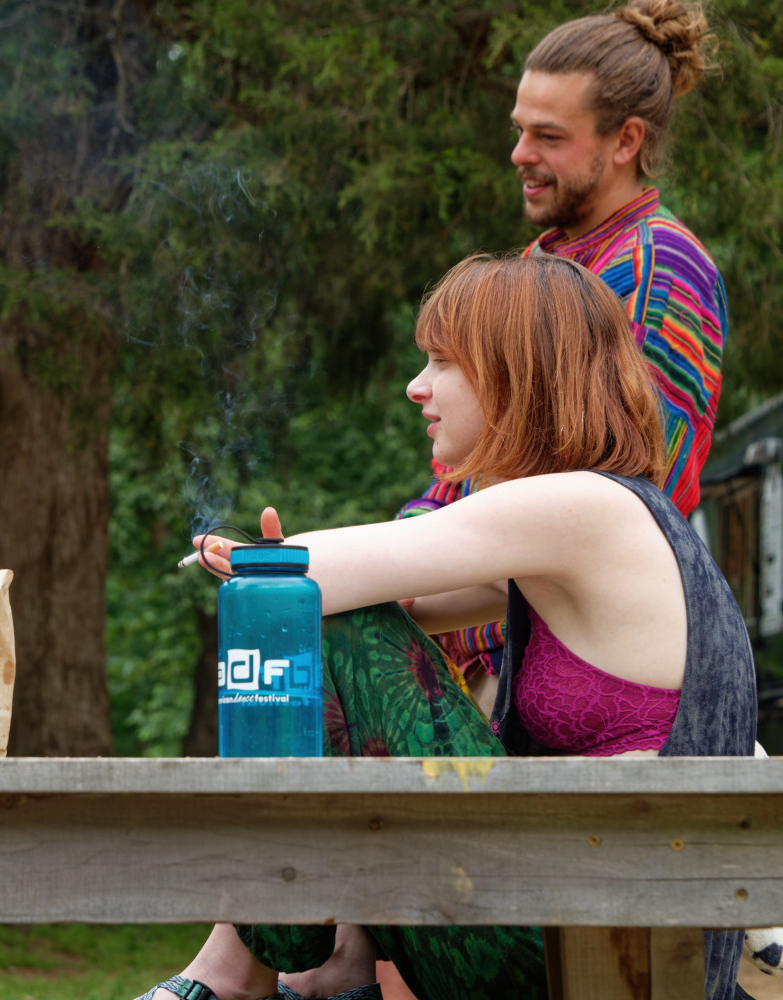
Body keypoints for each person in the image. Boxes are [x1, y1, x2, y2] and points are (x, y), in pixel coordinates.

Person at [144, 255, 756, 1000]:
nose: (417, 386)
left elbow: (306, 582)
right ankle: (323, 962)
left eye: (442, 363)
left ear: (514, 375)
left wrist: (243, 556)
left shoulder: (579, 507)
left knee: (310, 617)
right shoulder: (611, 522)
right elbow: (402, 609)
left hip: (599, 943)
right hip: (609, 921)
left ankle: (240, 974)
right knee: (337, 623)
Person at [400, 0, 727, 696]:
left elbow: (627, 500)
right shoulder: (547, 265)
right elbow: (476, 464)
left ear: (625, 141)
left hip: (581, 673)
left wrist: (418, 567)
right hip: (498, 638)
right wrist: (405, 547)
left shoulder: (658, 272)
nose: (520, 154)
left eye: (548, 136)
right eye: (520, 131)